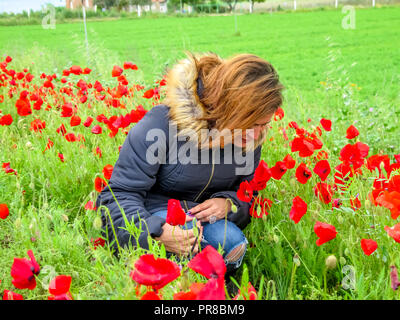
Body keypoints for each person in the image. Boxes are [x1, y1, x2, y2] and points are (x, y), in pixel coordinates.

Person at [96, 51, 284, 277]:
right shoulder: (161, 125)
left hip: (202, 222)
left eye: (264, 125)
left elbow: (249, 194)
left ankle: (192, 275)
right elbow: (117, 196)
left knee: (233, 244)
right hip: (152, 213)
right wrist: (156, 232)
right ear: (231, 108)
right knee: (185, 242)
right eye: (252, 124)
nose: (257, 135)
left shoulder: (248, 139)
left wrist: (229, 203)